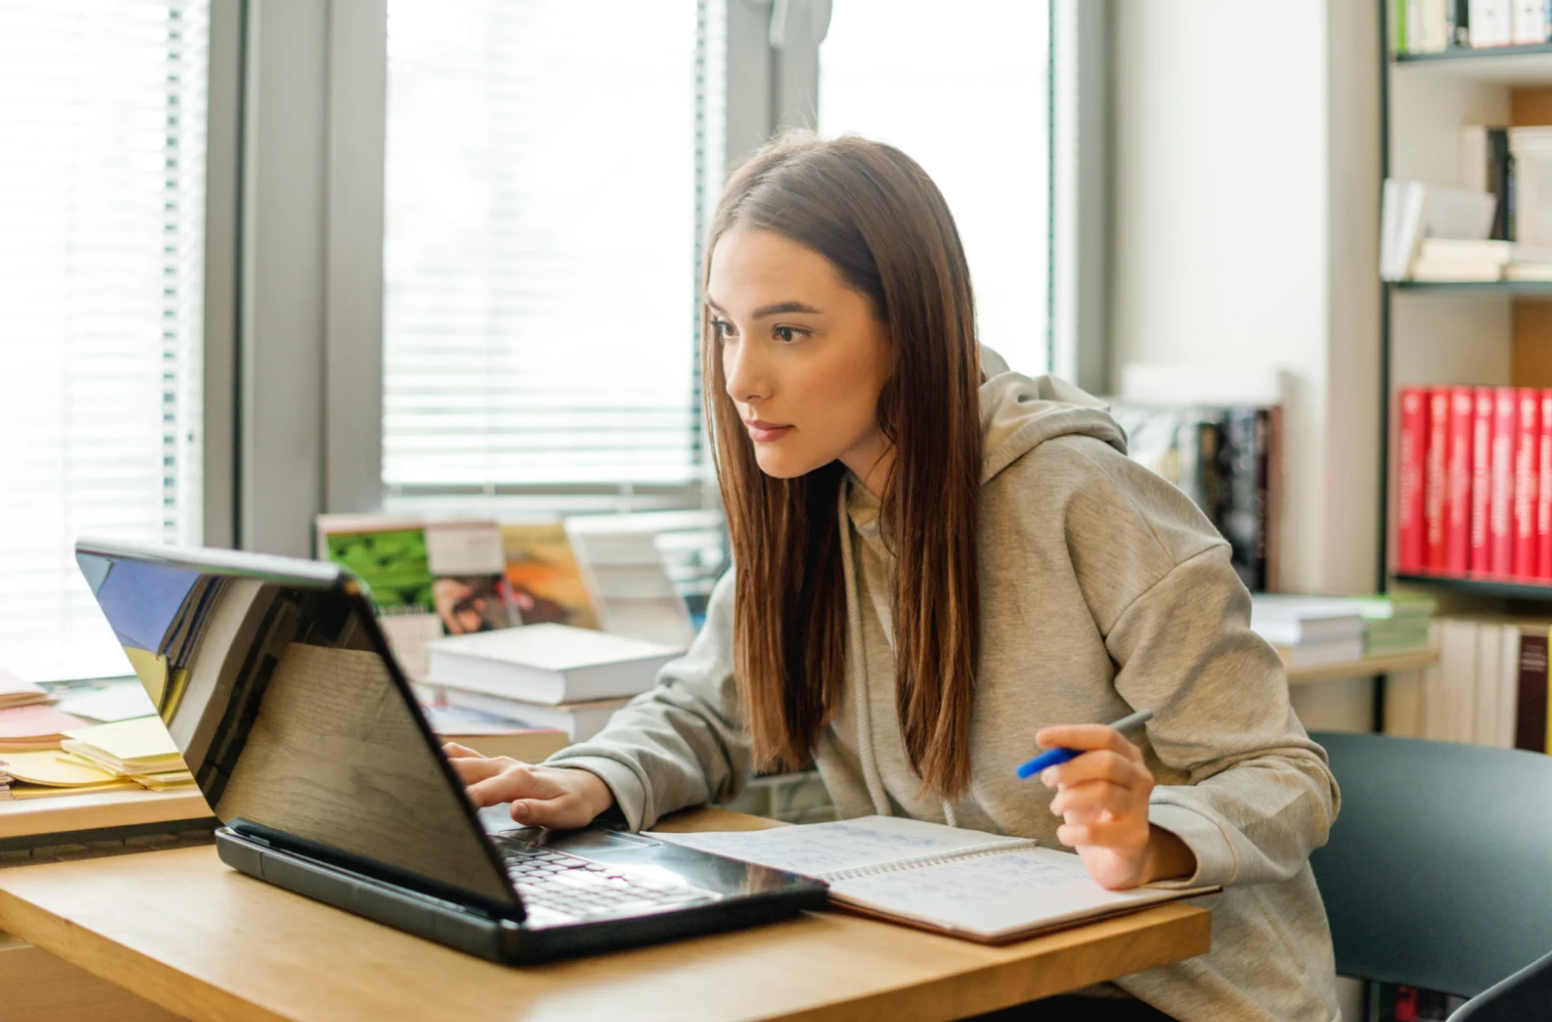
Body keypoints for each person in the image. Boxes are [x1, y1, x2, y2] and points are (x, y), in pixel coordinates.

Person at [442, 133, 1341, 1022]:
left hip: (1165, 989)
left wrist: (1153, 840)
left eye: (788, 331)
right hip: (953, 963)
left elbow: (1284, 774)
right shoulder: (813, 504)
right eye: (725, 329)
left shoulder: (1084, 499)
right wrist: (591, 780)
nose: (742, 378)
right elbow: (706, 712)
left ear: (908, 326)